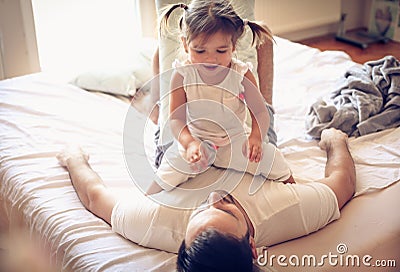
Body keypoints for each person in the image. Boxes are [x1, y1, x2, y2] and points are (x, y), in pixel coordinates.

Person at [56, 128, 356, 271]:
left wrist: (74, 159)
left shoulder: (154, 221)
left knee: (179, 67)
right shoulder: (289, 212)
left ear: (182, 242)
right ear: (251, 244)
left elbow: (95, 197)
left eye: (200, 210)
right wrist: (335, 141)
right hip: (249, 136)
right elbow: (342, 183)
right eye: (227, 208)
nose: (213, 197)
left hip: (184, 139)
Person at [145, 0, 293, 195]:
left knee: (273, 160)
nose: (210, 58)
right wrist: (189, 143)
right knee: (165, 173)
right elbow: (176, 119)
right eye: (200, 51)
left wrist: (256, 137)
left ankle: (295, 187)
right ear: (185, 45)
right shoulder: (182, 75)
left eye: (221, 51)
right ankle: (145, 200)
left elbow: (259, 112)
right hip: (197, 143)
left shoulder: (242, 74)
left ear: (233, 46)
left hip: (234, 142)